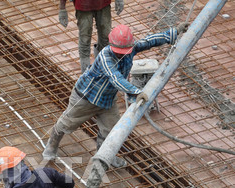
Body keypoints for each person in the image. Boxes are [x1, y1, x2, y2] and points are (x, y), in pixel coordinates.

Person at [42, 22, 189, 168]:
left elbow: (148, 41)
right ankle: (51, 147)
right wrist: (136, 91)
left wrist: (173, 32)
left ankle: (104, 157)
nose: (121, 53)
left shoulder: (129, 48)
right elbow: (115, 78)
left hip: (107, 100)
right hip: (86, 98)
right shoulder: (106, 56)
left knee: (111, 131)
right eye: (119, 50)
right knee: (66, 123)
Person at [58, 0, 125, 72]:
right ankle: (85, 73)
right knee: (85, 40)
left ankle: (101, 67)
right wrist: (62, 8)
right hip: (83, 6)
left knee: (106, 37)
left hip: (103, 4)